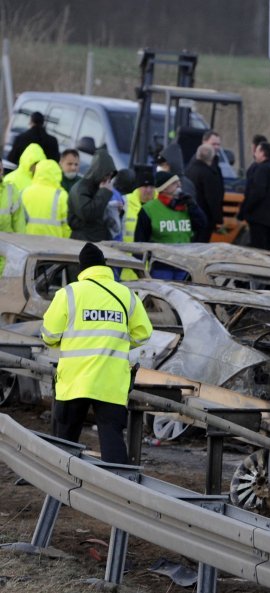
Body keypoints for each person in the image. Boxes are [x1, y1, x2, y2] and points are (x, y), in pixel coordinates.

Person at [41, 242, 153, 465]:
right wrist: (117, 343)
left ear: (81, 269)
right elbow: (143, 334)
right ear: (105, 266)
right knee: (112, 443)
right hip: (110, 383)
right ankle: (118, 492)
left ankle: (59, 491)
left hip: (74, 381)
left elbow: (49, 335)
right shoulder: (126, 295)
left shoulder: (69, 293)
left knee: (64, 443)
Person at [237, 141, 270, 254]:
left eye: (257, 151)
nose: (255, 154)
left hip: (260, 219)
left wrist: (245, 210)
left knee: (259, 250)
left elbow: (257, 193)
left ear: (263, 153)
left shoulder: (262, 169)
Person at [68, 147, 117, 242]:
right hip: (83, 241)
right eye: (107, 175)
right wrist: (104, 193)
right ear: (98, 171)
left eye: (111, 176)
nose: (108, 179)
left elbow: (99, 214)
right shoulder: (80, 188)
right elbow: (88, 213)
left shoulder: (99, 187)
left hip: (97, 241)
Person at [186, 143, 224, 241]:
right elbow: (212, 199)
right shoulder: (209, 174)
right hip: (204, 218)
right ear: (211, 157)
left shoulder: (189, 170)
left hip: (189, 215)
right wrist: (218, 219)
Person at [22, 159, 68, 237]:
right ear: (57, 173)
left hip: (25, 241)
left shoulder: (24, 192)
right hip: (53, 243)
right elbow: (67, 226)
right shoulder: (61, 195)